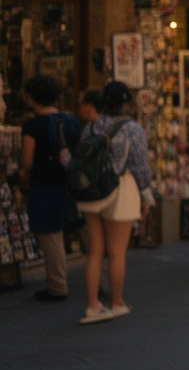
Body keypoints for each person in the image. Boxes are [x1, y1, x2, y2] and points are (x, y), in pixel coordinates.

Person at [76, 81, 155, 324]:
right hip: (121, 189)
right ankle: (117, 303)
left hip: (92, 192)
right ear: (126, 103)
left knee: (95, 251)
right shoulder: (131, 129)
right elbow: (140, 167)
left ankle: (92, 305)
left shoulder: (90, 128)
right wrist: (147, 197)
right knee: (117, 252)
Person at [20, 75, 81, 302]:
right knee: (84, 231)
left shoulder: (33, 125)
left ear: (31, 97)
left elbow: (27, 161)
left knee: (51, 236)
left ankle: (57, 286)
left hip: (45, 184)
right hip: (73, 184)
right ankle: (102, 279)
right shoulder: (71, 120)